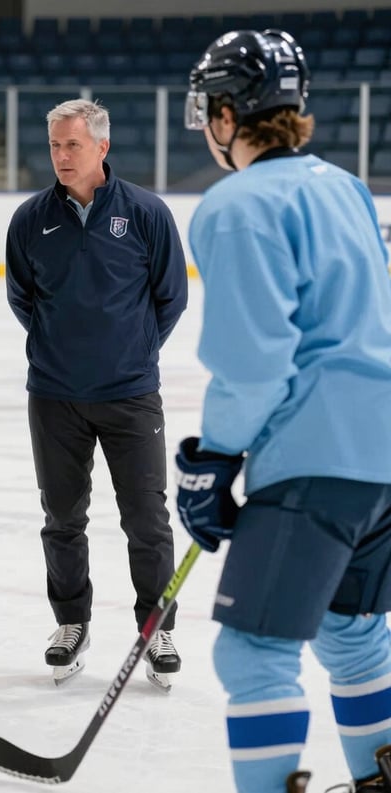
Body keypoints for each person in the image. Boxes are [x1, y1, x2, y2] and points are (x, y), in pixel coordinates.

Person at [176, 28, 391, 793]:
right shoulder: (345, 186)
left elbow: (254, 362)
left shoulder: (235, 206)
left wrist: (210, 458)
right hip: (381, 464)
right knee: (353, 632)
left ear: (231, 113)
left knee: (253, 652)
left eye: (211, 108)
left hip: (314, 459)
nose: (206, 123)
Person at [6, 98, 188, 688]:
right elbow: (22, 299)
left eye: (73, 145)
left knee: (147, 520)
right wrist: (63, 350)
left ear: (102, 148)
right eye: (55, 145)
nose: (61, 156)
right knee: (62, 518)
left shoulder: (145, 214)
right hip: (55, 396)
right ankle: (71, 622)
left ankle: (156, 625)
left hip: (131, 395)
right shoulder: (31, 219)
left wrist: (132, 353)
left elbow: (170, 298)